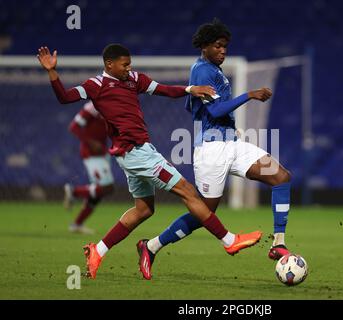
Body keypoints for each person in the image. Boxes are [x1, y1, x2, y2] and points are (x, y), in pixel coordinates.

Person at [36, 44, 262, 280]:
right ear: (109, 65)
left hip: (134, 154)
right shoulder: (96, 85)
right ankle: (229, 241)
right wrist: (52, 71)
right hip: (138, 155)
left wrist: (189, 89)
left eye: (130, 63)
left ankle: (98, 251)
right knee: (188, 192)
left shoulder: (134, 79)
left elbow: (163, 90)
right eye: (124, 64)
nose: (128, 68)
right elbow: (65, 97)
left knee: (143, 210)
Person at [143, 19, 293, 271]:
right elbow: (215, 110)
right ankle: (151, 246)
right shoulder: (202, 70)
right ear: (204, 47)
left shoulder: (214, 70)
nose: (223, 51)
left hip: (232, 145)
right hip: (211, 151)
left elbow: (197, 106)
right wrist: (249, 95)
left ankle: (278, 242)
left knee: (281, 176)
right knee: (205, 213)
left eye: (225, 47)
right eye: (218, 46)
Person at [64, 100, 114, 235]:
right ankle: (74, 192)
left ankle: (77, 224)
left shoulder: (110, 104)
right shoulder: (92, 107)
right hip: (91, 153)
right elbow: (74, 127)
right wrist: (91, 142)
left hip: (102, 152)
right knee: (106, 188)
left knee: (98, 193)